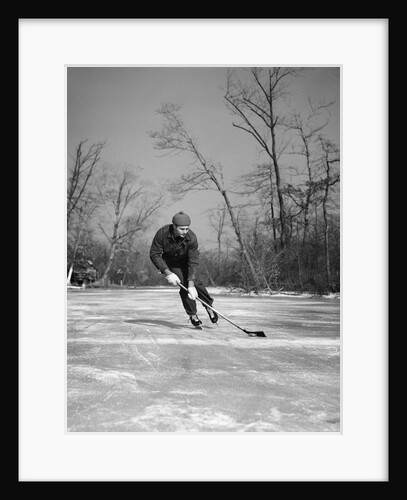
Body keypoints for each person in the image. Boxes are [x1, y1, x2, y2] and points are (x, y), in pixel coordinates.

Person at [149, 211, 218, 328]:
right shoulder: (162, 233)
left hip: (187, 262)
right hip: (171, 263)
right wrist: (167, 272)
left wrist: (191, 284)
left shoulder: (191, 238)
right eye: (182, 229)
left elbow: (193, 261)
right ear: (174, 226)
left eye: (187, 229)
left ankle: (208, 307)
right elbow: (154, 254)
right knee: (183, 285)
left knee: (195, 283)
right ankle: (193, 315)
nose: (185, 232)